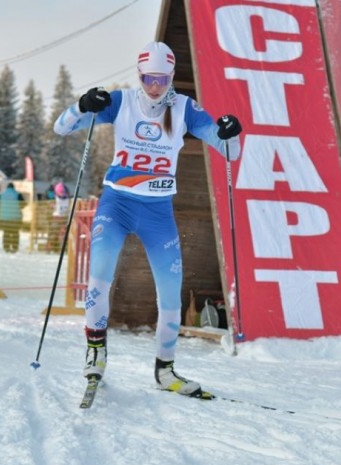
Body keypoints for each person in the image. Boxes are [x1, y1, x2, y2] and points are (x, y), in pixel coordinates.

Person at [53, 41, 242, 396]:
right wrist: (81, 105)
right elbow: (61, 128)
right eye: (148, 78)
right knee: (99, 278)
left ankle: (165, 370)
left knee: (170, 295)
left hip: (158, 212)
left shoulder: (184, 108)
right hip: (117, 205)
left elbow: (229, 150)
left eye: (162, 79)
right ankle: (96, 352)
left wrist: (230, 132)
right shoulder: (121, 101)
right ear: (138, 75)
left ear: (171, 76)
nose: (155, 86)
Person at [0, 182, 23, 253]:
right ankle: (14, 248)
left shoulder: (1, 194)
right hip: (16, 218)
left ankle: (6, 248)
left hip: (4, 218)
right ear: (13, 188)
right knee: (15, 233)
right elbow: (23, 204)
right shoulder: (18, 194)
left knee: (6, 232)